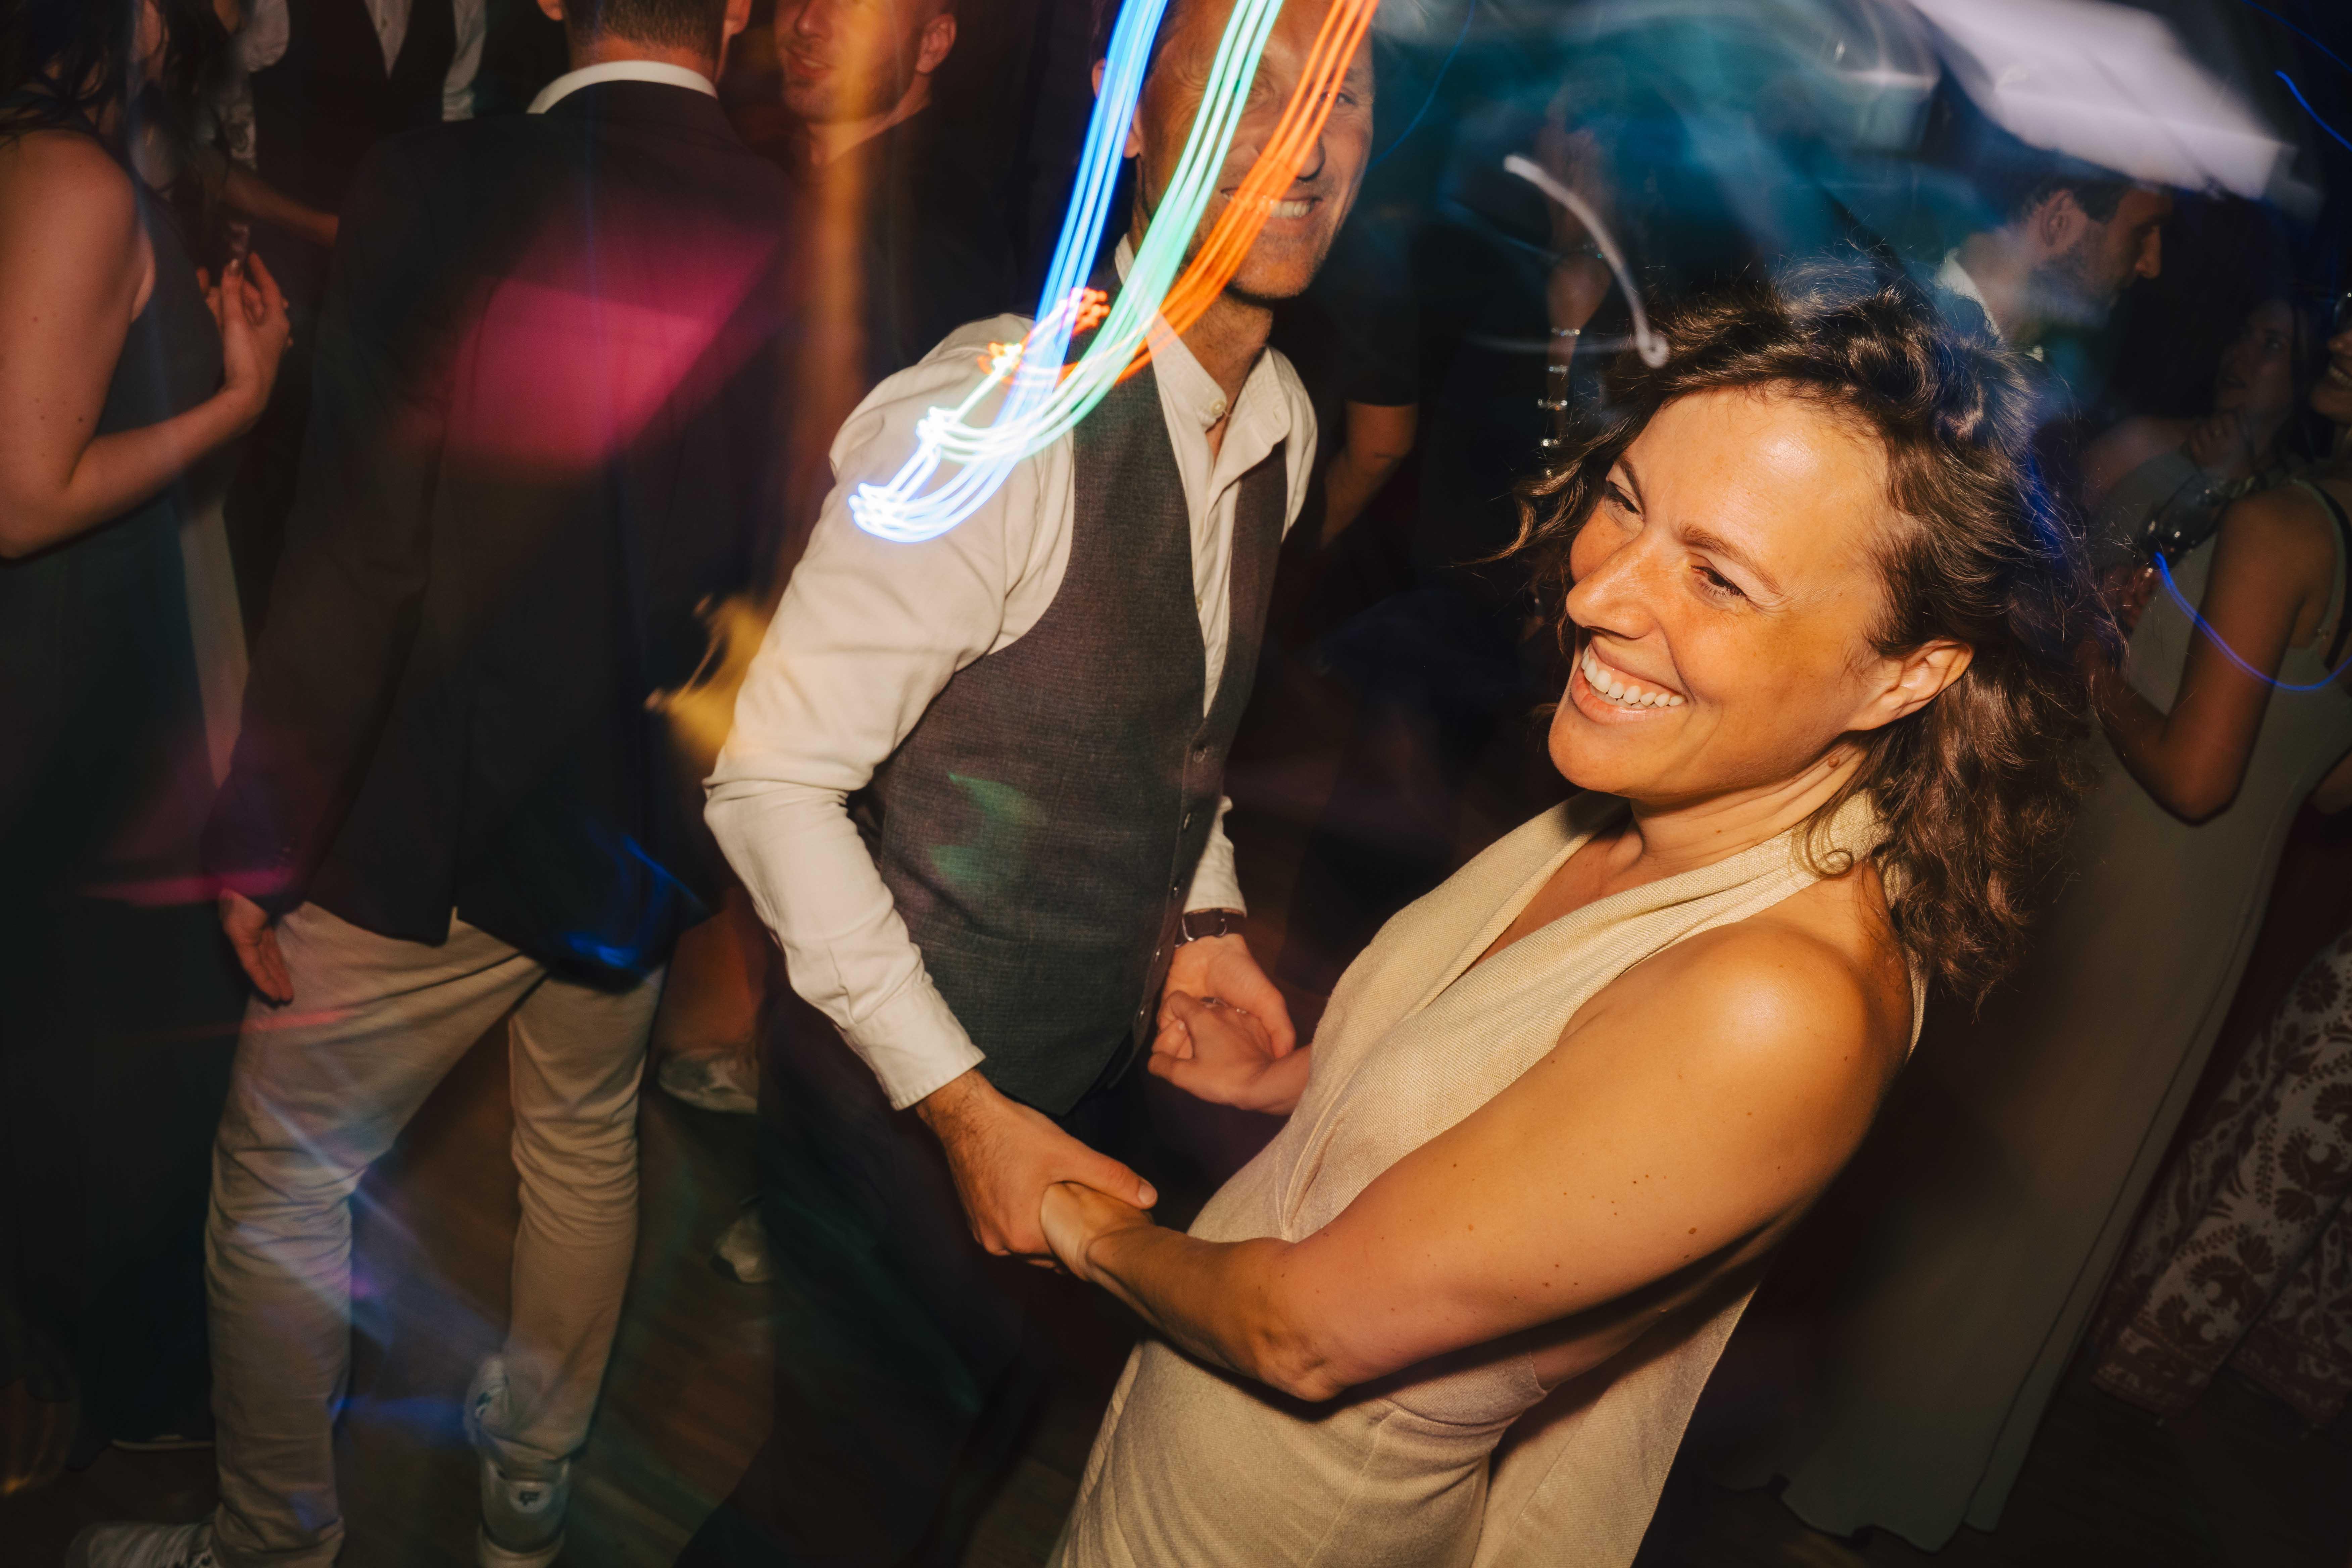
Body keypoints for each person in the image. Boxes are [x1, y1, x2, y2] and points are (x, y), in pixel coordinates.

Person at [1035, 262, 2098, 1568]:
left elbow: (1299, 1333)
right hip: (1186, 1449)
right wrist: (1295, 1077)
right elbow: (1553, 1115)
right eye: (1627, 503)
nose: (1598, 595)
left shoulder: (1777, 1004)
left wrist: (1074, 1220)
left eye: (1718, 579)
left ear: (1907, 673)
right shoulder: (1662, 801)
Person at [68, 0, 796, 1562]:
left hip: (432, 825)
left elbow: (364, 545)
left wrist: (267, 831)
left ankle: (272, 1541)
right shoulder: (805, 228)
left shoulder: (441, 181)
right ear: (735, 12)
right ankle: (530, 1486)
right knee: (583, 1142)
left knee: (279, 1184)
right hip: (641, 828)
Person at [685, 0, 1372, 1560]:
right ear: (1130, 116)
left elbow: (1170, 731)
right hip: (890, 1109)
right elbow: (769, 784)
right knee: (833, 1508)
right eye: (1246, 88)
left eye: (1341, 97)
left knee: (958, 1450)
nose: (1304, 141)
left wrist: (1202, 919)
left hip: (1078, 1079)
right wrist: (960, 1106)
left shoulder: (1279, 419)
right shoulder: (994, 420)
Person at [1717, 314, 2352, 1550]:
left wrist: (2102, 653)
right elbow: (2326, 788)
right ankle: (1916, 1477)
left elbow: (2195, 776)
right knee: (2044, 1203)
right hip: (2205, 918)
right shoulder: (2318, 525)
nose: (2342, 337)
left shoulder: (2282, 526)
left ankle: (1839, 1461)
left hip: (2125, 883)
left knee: (1970, 1180)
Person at [0, 0, 291, 1459]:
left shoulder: (53, 161)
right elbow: (24, 493)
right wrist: (240, 398)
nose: (225, 11)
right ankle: (129, 1408)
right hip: (69, 700)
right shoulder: (69, 179)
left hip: (84, 678)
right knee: (125, 1072)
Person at [2081, 296, 2331, 569]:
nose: (2239, 353)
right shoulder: (2142, 440)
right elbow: (2051, 542)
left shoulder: (2299, 494)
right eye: (2242, 335)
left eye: (2272, 345)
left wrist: (2227, 483)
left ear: (2309, 377)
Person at [1935, 166, 2170, 354]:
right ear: (2059, 220)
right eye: (2142, 232)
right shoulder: (1925, 361)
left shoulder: (1937, 347)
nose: (2152, 266)